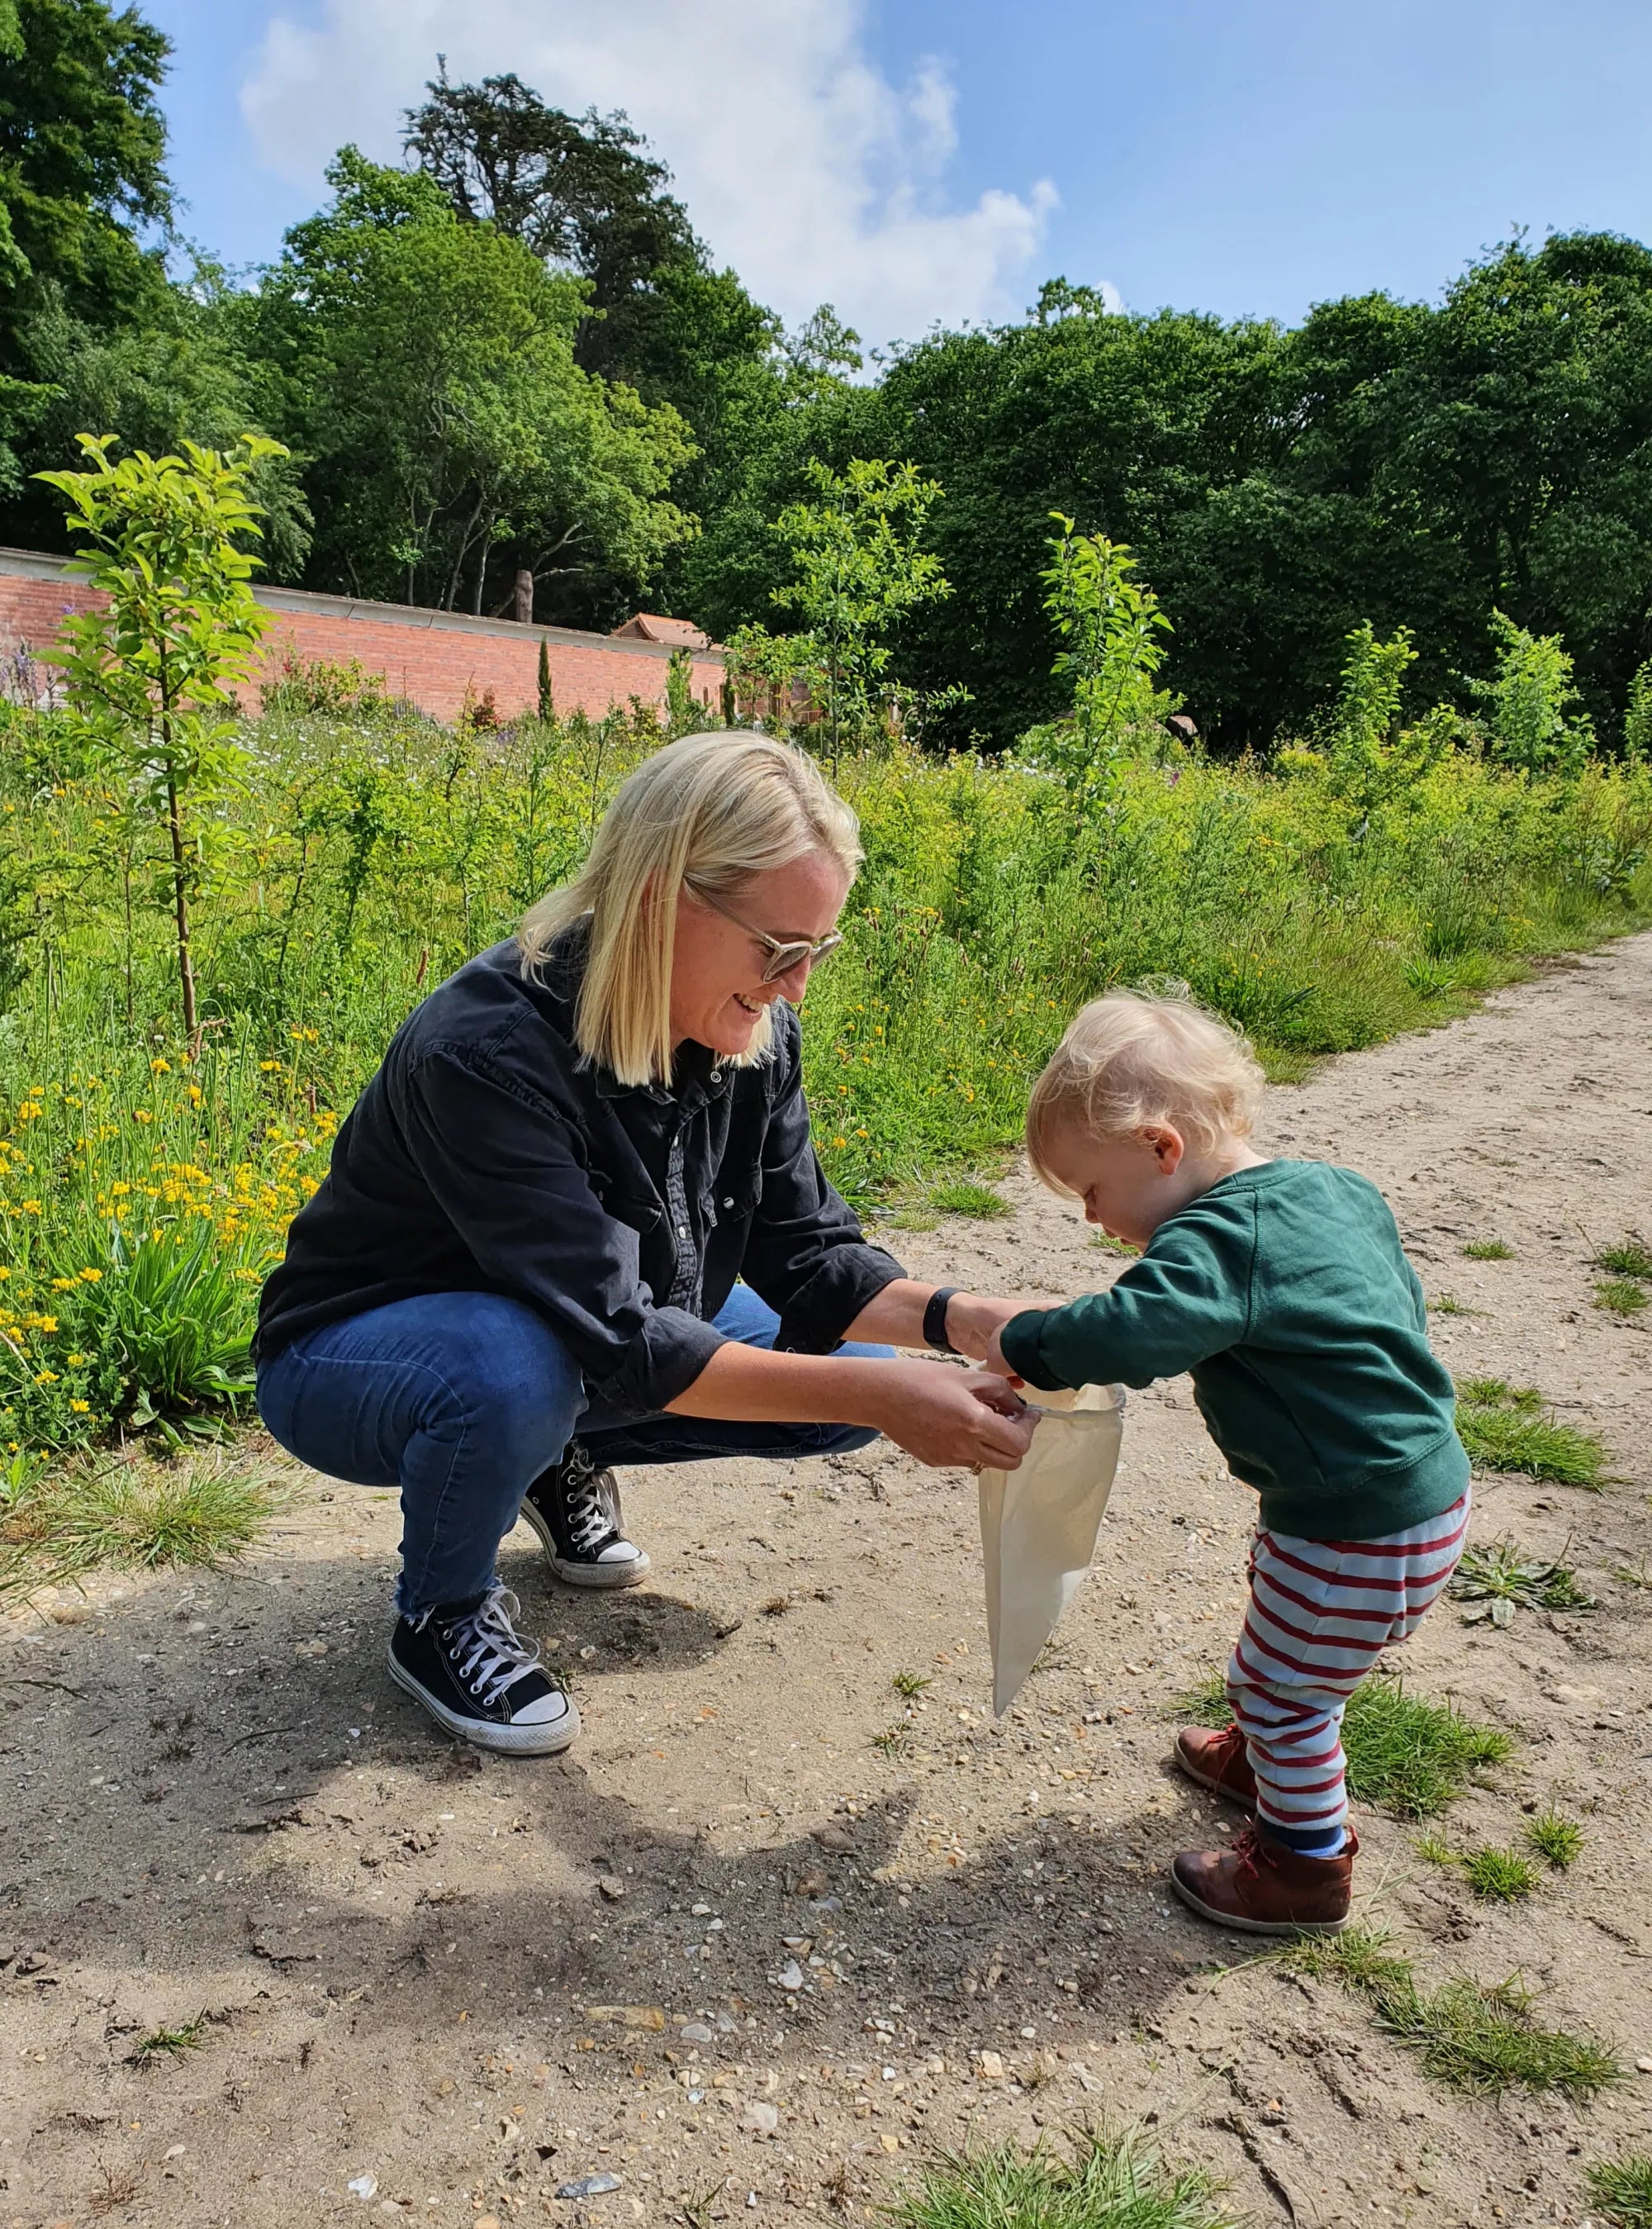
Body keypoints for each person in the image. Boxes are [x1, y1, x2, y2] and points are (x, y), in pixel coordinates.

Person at [256, 730, 1034, 1758]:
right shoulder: (487, 1050)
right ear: (664, 894)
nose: (796, 986)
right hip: (355, 1356)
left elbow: (806, 1253)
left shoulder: (745, 1027)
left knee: (849, 1370)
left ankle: (542, 1457)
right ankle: (440, 1611)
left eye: (818, 952)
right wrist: (890, 1402)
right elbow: (623, 1338)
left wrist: (973, 1322)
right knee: (518, 1372)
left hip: (577, 1325)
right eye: (779, 950)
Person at [984, 990, 1470, 1933]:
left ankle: (1300, 1870)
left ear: (1161, 1149)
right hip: (1418, 1491)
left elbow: (1136, 1329)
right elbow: (1398, 1300)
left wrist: (1027, 1342)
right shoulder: (1332, 1188)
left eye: (1090, 1191)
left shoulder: (1214, 1240)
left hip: (1352, 1524)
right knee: (1289, 1647)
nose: (1091, 1219)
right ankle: (1261, 1764)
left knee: (1284, 1691)